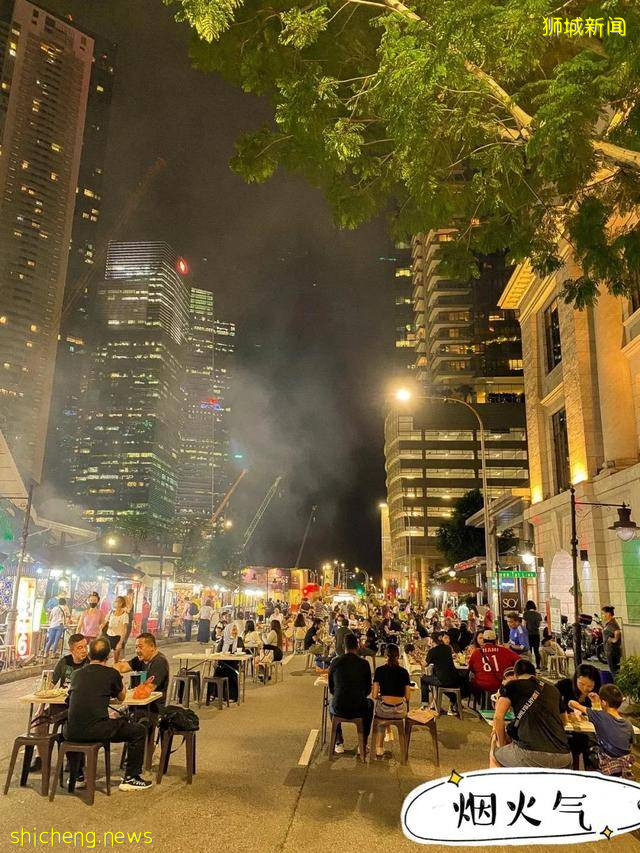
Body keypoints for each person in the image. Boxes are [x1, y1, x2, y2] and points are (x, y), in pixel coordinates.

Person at [65, 637, 151, 790]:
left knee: (80, 723)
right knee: (138, 730)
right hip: (97, 730)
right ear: (108, 656)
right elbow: (122, 697)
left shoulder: (76, 674)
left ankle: (77, 776)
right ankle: (131, 777)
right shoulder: (111, 673)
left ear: (89, 655)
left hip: (71, 731)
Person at [490, 658, 571, 769]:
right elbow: (564, 721)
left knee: (494, 753)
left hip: (530, 755)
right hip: (564, 757)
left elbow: (498, 717)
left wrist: (502, 744)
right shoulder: (553, 690)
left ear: (516, 675)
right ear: (535, 675)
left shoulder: (512, 685)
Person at [568, 684, 634, 777]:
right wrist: (596, 702)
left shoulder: (600, 716)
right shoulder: (628, 724)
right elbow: (629, 744)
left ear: (603, 702)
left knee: (585, 740)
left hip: (606, 765)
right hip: (624, 766)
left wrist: (570, 703)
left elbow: (574, 704)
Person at [328, 632, 373, 756]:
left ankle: (339, 742)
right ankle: (363, 743)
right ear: (357, 646)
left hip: (339, 707)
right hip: (359, 707)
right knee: (370, 703)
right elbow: (368, 690)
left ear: (344, 646)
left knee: (331, 702)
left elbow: (331, 688)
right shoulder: (364, 663)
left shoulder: (335, 662)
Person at [556, 664, 601, 769]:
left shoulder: (597, 693)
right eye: (581, 684)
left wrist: (596, 704)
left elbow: (600, 716)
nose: (585, 688)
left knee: (591, 741)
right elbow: (551, 700)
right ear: (576, 679)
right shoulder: (564, 685)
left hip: (587, 730)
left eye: (589, 686)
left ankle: (592, 767)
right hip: (566, 729)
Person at [114, 632, 170, 717]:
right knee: (112, 716)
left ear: (152, 647)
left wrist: (123, 688)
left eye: (140, 647)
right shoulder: (141, 659)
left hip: (152, 709)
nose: (137, 651)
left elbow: (146, 691)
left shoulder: (159, 662)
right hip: (136, 706)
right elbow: (121, 667)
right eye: (136, 647)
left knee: (118, 719)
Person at [371, 643, 411, 758]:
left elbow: (374, 695)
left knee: (382, 711)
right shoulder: (404, 672)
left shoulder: (379, 670)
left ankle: (379, 748)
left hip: (384, 710)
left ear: (385, 656)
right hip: (399, 711)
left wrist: (382, 696)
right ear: (398, 656)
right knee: (387, 707)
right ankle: (389, 732)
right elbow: (408, 697)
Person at [421, 632, 465, 715]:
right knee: (441, 683)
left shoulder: (432, 651)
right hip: (454, 678)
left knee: (423, 678)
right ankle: (452, 704)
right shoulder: (447, 648)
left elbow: (425, 664)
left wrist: (419, 659)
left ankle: (424, 704)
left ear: (432, 640)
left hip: (442, 680)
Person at [468, 630, 520, 698]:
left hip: (482, 684)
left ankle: (480, 701)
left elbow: (471, 668)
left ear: (484, 640)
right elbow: (519, 661)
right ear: (496, 640)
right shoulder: (505, 650)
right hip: (502, 683)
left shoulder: (476, 653)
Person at [213, 624, 245, 702]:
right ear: (228, 630)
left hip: (234, 663)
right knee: (218, 671)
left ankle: (232, 696)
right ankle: (216, 694)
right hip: (223, 662)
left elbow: (242, 650)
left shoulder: (239, 639)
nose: (235, 632)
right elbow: (218, 650)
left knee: (231, 672)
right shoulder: (224, 639)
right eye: (233, 630)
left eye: (236, 630)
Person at [102, 596, 129, 663]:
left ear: (121, 603)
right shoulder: (111, 612)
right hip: (108, 636)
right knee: (104, 656)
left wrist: (120, 642)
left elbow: (124, 629)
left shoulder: (125, 615)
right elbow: (104, 623)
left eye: (116, 601)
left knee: (116, 659)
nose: (114, 602)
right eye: (115, 601)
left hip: (118, 638)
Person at [602, 605, 622, 677]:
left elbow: (617, 632)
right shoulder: (609, 623)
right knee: (614, 670)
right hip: (610, 650)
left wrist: (614, 640)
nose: (603, 615)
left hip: (612, 651)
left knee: (614, 671)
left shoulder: (612, 623)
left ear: (608, 614)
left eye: (603, 613)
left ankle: (616, 683)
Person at [523, 601, 542, 668]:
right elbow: (539, 625)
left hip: (528, 634)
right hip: (536, 634)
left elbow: (524, 625)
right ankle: (538, 665)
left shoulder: (525, 614)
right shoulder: (538, 614)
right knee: (536, 651)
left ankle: (530, 665)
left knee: (529, 650)